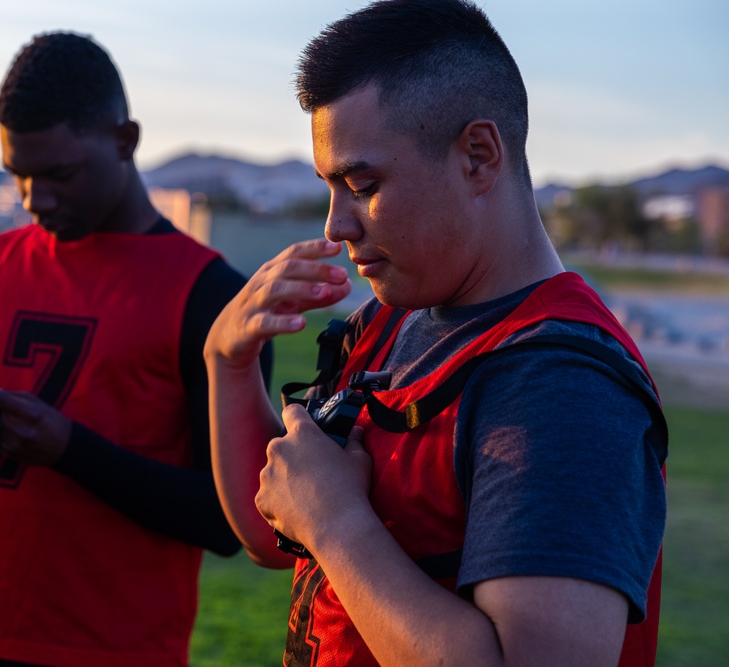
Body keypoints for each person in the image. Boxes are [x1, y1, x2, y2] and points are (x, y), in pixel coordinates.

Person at [204, 1, 667, 666]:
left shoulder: (562, 383)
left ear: (478, 156)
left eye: (361, 185)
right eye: (330, 188)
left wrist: (338, 524)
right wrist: (227, 359)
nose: (337, 225)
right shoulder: (391, 323)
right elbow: (273, 531)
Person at [0, 31, 270, 667]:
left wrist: (69, 450)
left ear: (125, 141)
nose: (37, 199)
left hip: (111, 650)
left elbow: (225, 521)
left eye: (59, 173)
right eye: (19, 176)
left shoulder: (212, 295)